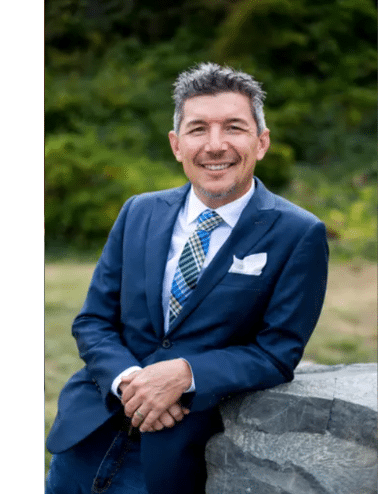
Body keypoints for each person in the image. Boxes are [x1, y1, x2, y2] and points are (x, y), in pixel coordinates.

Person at [45, 62, 329, 494]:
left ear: (262, 141)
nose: (215, 145)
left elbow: (276, 353)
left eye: (233, 127)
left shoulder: (298, 232)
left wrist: (183, 374)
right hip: (87, 436)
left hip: (178, 455)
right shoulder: (138, 211)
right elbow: (93, 322)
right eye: (198, 129)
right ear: (177, 145)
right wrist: (130, 384)